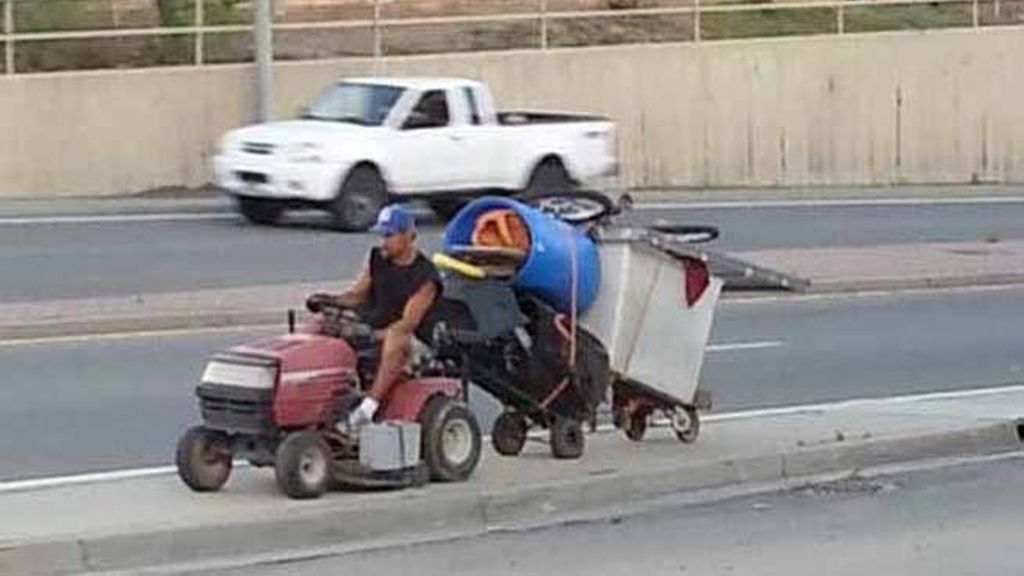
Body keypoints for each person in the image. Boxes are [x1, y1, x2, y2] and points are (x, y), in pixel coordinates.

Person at [306, 204, 441, 427]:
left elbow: (408, 323)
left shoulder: (425, 277)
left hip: (410, 338)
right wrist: (330, 301)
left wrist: (374, 335)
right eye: (381, 235)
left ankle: (367, 408)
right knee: (319, 325)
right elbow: (356, 295)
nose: (383, 242)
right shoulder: (376, 258)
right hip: (371, 324)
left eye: (389, 235)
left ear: (409, 236)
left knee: (396, 336)